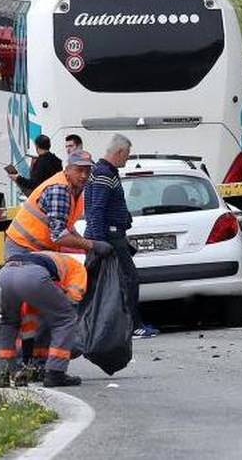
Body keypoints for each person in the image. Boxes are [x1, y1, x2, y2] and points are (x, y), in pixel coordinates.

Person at [84, 134, 159, 338]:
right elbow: (97, 210)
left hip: (111, 235)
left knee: (105, 284)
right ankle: (132, 326)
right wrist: (99, 243)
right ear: (118, 152)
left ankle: (102, 326)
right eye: (127, 155)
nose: (127, 160)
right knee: (129, 279)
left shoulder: (106, 172)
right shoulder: (103, 175)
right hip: (108, 237)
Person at [0, 251, 87, 388]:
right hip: (32, 276)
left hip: (4, 274)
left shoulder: (48, 257)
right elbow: (72, 300)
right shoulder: (78, 269)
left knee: (8, 322)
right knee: (65, 318)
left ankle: (2, 373)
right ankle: (55, 373)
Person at [4, 149, 113, 260]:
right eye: (79, 170)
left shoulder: (75, 190)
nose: (84, 175)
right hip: (23, 247)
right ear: (68, 169)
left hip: (35, 248)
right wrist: (92, 245)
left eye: (88, 171)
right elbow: (59, 236)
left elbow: (67, 227)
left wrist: (90, 246)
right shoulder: (59, 189)